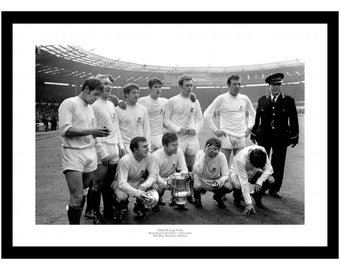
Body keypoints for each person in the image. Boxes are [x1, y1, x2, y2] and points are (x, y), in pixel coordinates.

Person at [58, 77, 110, 224]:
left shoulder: (91, 109)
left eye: (98, 96)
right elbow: (65, 130)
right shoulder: (69, 103)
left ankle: (76, 217)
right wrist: (92, 130)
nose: (96, 99)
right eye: (95, 95)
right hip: (73, 152)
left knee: (84, 191)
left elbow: (90, 132)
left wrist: (98, 133)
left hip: (90, 152)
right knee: (76, 196)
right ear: (86, 89)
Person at [251, 73, 299, 199]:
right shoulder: (262, 100)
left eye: (278, 84)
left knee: (278, 163)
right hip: (264, 136)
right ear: (269, 86)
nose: (276, 87)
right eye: (273, 84)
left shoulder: (288, 101)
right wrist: (254, 133)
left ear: (280, 86)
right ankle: (260, 186)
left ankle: (274, 189)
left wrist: (294, 136)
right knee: (262, 162)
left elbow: (293, 120)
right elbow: (257, 119)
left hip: (281, 137)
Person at [91, 74, 125, 224]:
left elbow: (115, 127)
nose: (109, 86)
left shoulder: (111, 104)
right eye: (105, 83)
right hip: (101, 148)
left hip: (114, 148)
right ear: (98, 87)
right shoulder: (94, 104)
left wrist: (120, 145)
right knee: (97, 183)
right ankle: (95, 213)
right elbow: (92, 130)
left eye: (110, 83)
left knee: (109, 182)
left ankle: (108, 211)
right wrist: (102, 152)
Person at [163, 75, 204, 203]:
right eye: (187, 85)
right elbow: (166, 120)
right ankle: (175, 195)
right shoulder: (172, 101)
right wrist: (177, 129)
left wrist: (196, 129)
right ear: (181, 86)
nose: (190, 88)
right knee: (177, 167)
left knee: (192, 167)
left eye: (191, 85)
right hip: (178, 139)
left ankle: (190, 193)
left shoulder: (195, 101)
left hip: (192, 139)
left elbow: (200, 120)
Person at [204, 74, 256, 166]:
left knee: (240, 165)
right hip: (226, 135)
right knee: (224, 165)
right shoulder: (221, 98)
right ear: (228, 85)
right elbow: (207, 114)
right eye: (234, 84)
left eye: (239, 84)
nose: (237, 86)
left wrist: (249, 128)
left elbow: (253, 113)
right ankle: (224, 180)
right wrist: (215, 130)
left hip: (241, 135)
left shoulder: (244, 98)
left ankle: (237, 180)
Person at [112, 136, 158, 220]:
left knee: (154, 186)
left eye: (147, 146)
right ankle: (119, 208)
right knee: (122, 196)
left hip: (137, 182)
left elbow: (153, 175)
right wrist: (138, 193)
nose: (148, 149)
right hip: (121, 183)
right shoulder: (125, 160)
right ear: (135, 149)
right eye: (144, 147)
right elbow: (122, 183)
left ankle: (139, 207)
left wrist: (144, 186)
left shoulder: (149, 157)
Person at [230, 145, 275, 215]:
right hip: (237, 171)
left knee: (271, 180)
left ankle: (256, 195)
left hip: (253, 170)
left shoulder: (262, 150)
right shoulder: (241, 159)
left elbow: (269, 169)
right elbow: (244, 182)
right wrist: (249, 203)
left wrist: (259, 182)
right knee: (238, 185)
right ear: (251, 161)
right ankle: (237, 198)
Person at [151, 132, 188, 211]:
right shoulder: (155, 156)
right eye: (173, 145)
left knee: (185, 179)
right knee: (157, 188)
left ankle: (178, 201)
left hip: (171, 178)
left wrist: (180, 179)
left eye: (177, 144)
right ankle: (156, 200)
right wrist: (166, 183)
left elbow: (184, 168)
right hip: (158, 179)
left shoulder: (178, 151)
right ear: (165, 145)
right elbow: (155, 176)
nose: (176, 147)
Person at [192, 137, 233, 209]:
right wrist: (204, 156)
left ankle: (217, 197)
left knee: (229, 186)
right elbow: (197, 171)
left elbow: (226, 174)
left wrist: (219, 181)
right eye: (211, 149)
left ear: (219, 149)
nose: (214, 152)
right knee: (195, 180)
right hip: (202, 179)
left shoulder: (221, 156)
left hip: (216, 180)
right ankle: (197, 198)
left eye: (216, 149)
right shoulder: (200, 154)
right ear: (206, 148)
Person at [116, 83, 151, 154]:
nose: (136, 95)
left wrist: (148, 147)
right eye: (133, 92)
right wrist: (121, 146)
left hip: (140, 146)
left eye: (138, 92)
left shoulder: (143, 109)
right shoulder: (118, 110)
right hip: (126, 146)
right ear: (126, 94)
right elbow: (117, 129)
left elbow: (146, 129)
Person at [138, 78, 168, 151]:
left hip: (160, 137)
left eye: (160, 87)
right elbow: (129, 105)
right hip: (147, 136)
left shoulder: (164, 101)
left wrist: (192, 96)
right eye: (155, 87)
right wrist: (121, 103)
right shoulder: (141, 101)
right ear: (150, 88)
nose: (158, 89)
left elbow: (176, 103)